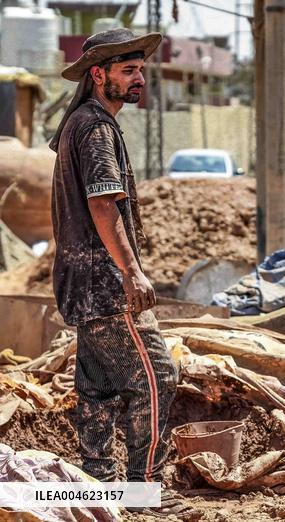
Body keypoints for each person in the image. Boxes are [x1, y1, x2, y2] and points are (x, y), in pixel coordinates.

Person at [49, 28, 196, 519]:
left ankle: (95, 487)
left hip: (79, 284)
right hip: (106, 285)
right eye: (128, 70)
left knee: (96, 387)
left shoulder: (81, 122)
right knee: (157, 376)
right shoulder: (95, 128)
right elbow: (102, 203)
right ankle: (144, 487)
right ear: (98, 75)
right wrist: (132, 273)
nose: (139, 79)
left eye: (140, 70)